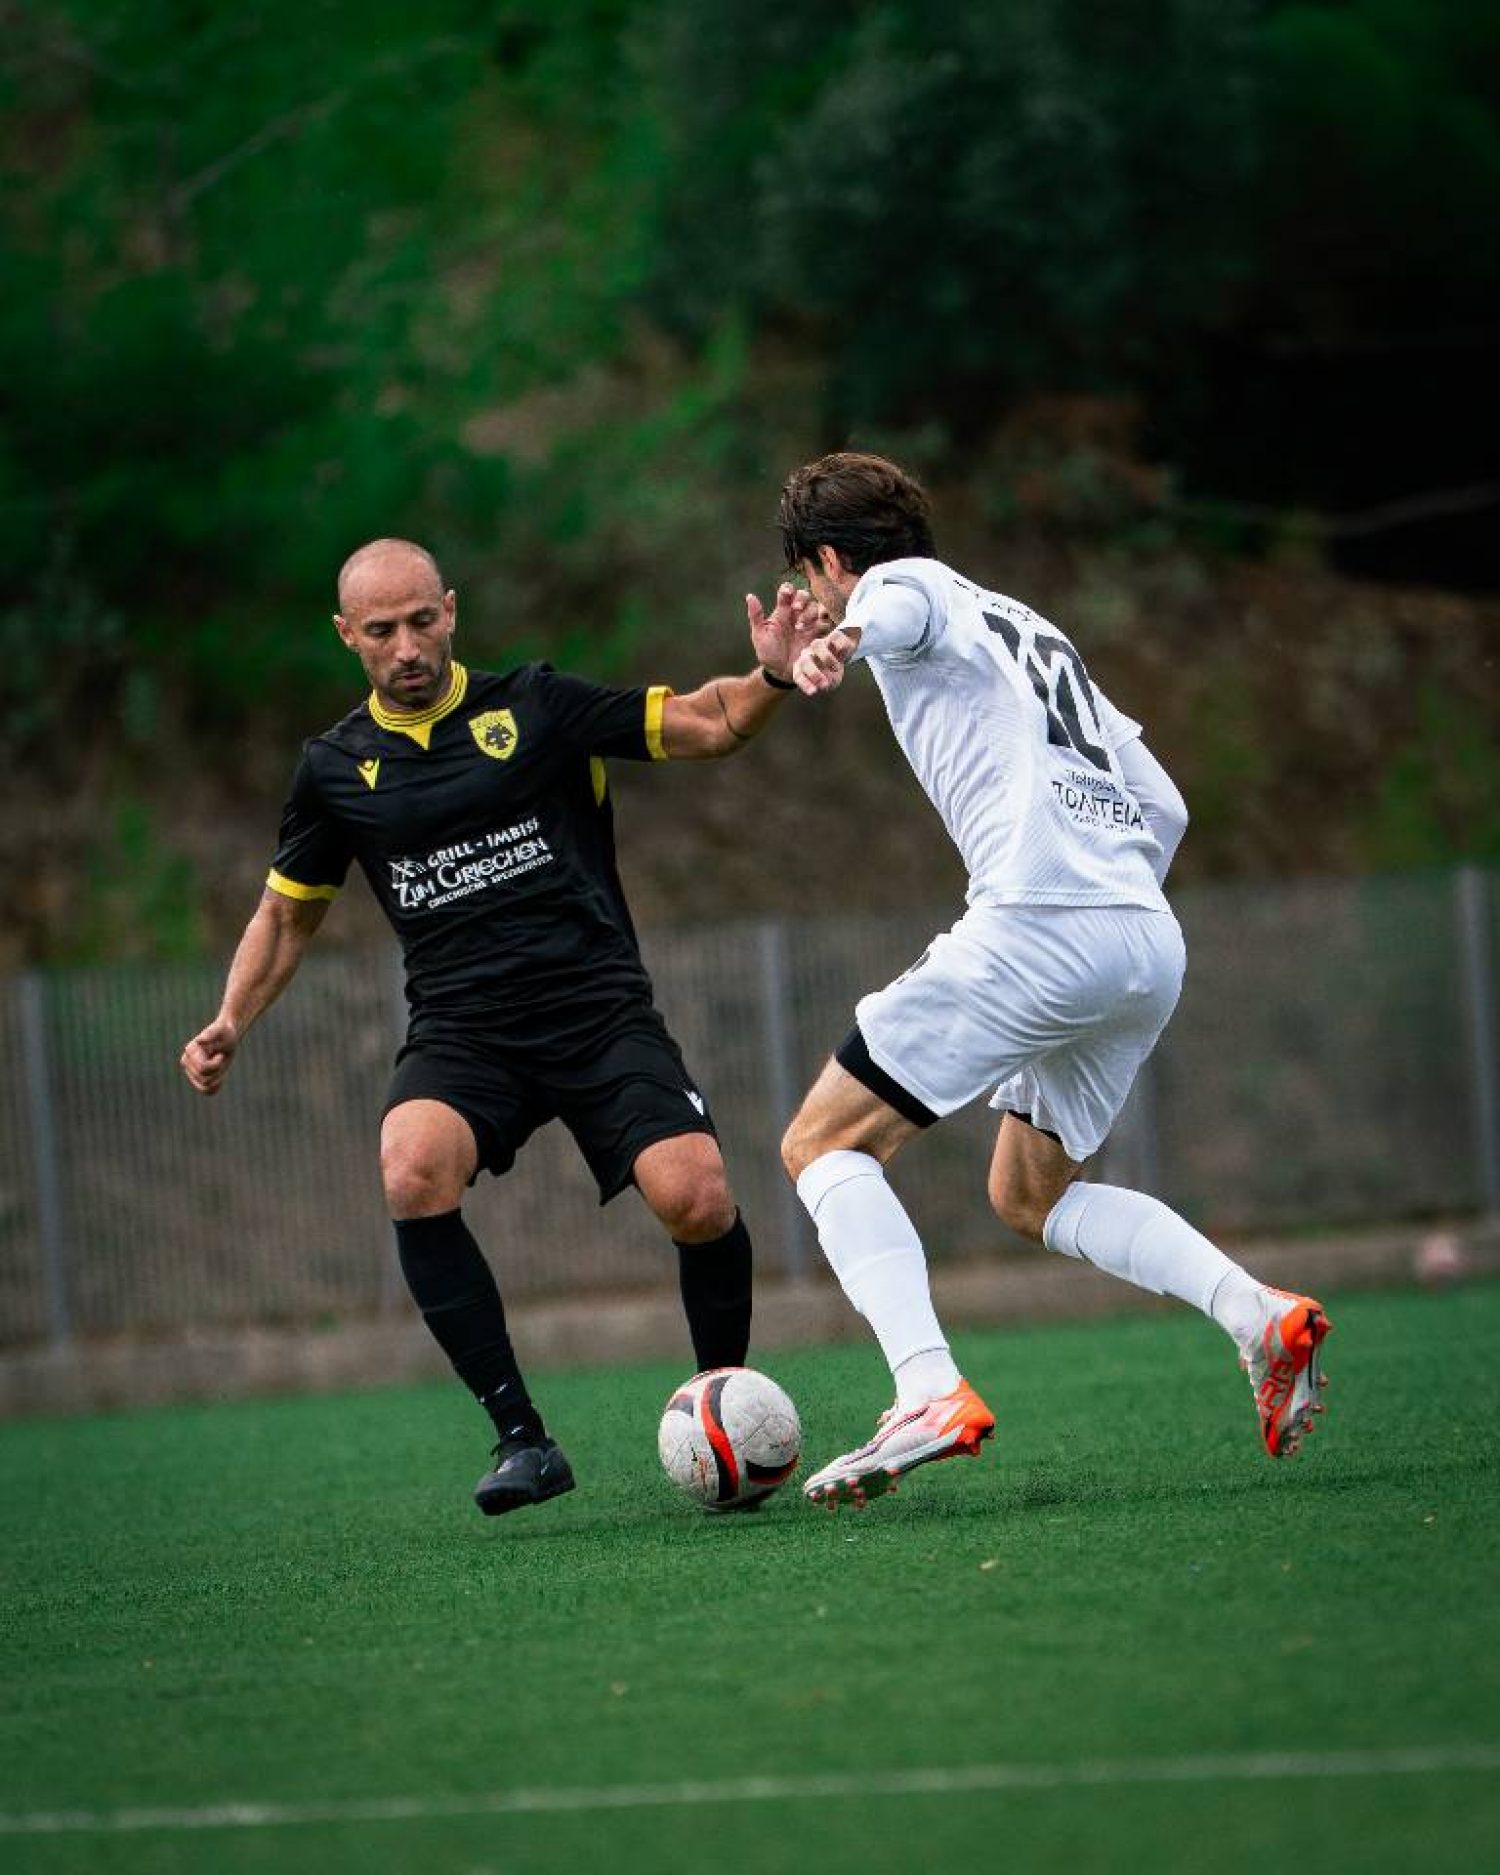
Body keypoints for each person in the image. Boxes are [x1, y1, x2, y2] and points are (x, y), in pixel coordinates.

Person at [181, 538, 818, 1517]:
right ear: (347, 635)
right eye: (382, 631)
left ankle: (721, 1404)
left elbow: (707, 721)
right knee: (410, 1167)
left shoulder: (536, 707)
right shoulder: (335, 768)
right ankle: (523, 1439)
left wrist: (771, 674)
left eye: (421, 621)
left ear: (451, 610)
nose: (407, 647)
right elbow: (287, 912)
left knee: (696, 1196)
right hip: (464, 1030)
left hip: (596, 1009)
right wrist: (232, 1017)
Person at [777, 452, 1331, 1509]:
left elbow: (891, 607)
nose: (820, 598)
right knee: (1028, 1195)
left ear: (833, 560)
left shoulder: (903, 591)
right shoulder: (1027, 624)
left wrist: (836, 645)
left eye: (814, 578)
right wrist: (1105, 897)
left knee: (821, 1143)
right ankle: (1259, 1316)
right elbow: (1164, 806)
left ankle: (926, 1390)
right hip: (1144, 937)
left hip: (1039, 924)